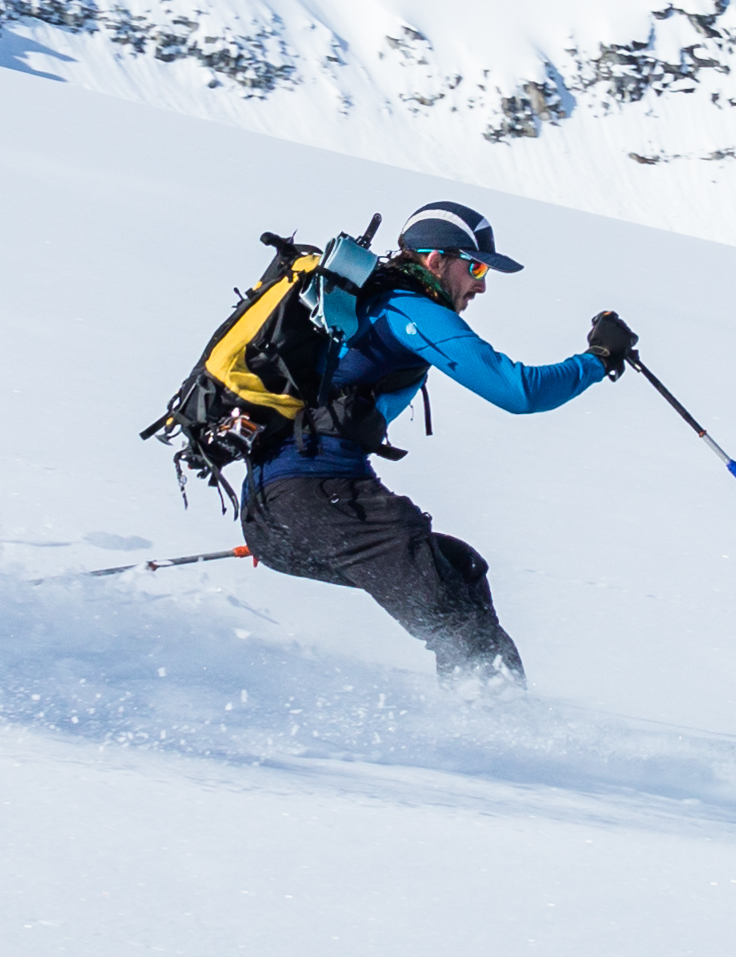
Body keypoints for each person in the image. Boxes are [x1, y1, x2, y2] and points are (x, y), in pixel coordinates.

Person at [239, 199, 640, 683]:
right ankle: (498, 732)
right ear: (435, 260)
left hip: (280, 510)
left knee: (461, 568)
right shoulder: (407, 308)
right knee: (460, 621)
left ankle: (477, 714)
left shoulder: (362, 300)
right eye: (474, 266)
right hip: (313, 500)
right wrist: (599, 357)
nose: (481, 283)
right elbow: (519, 392)